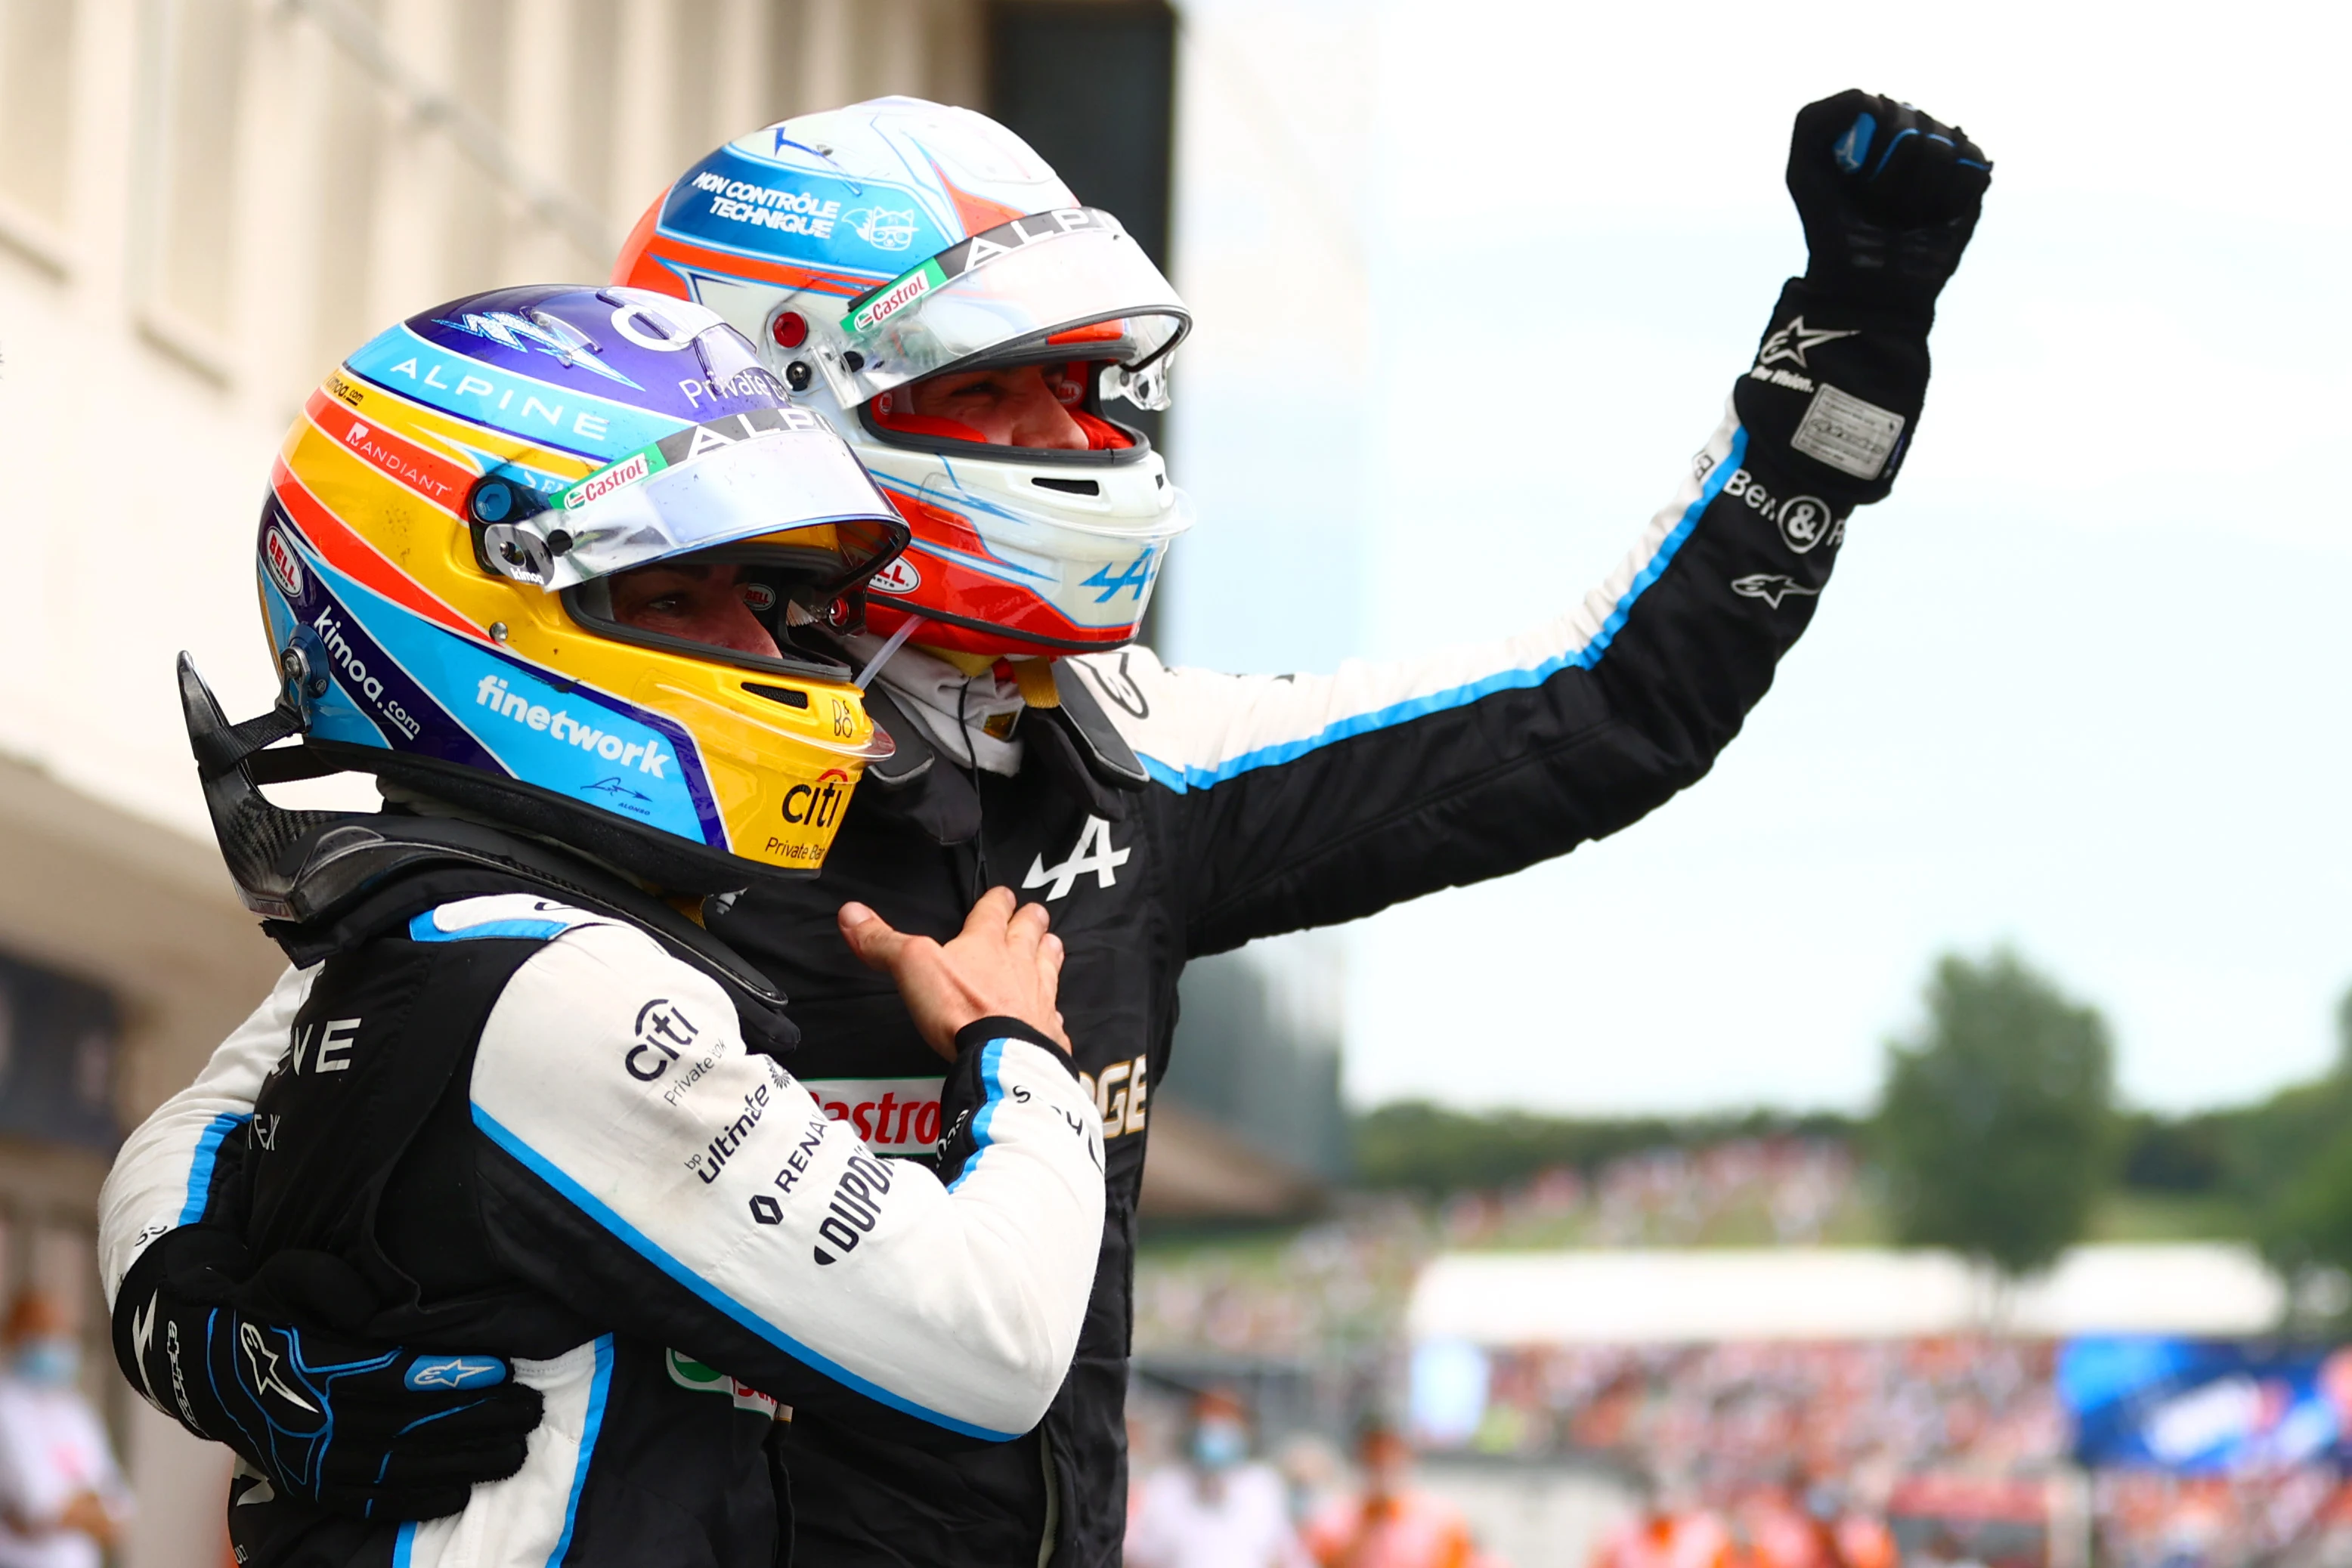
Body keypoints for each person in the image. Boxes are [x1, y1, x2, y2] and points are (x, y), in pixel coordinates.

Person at [105, 89, 1991, 1566]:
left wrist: (1826, 396)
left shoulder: (1120, 753)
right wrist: (195, 1321)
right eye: (991, 384)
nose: (1076, 442)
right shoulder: (606, 764)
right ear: (776, 390)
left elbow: (1600, 711)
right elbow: (245, 1096)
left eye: (1084, 386)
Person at [102, 284, 1108, 1565]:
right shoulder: (550, 989)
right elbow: (995, 1341)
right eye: (678, 600)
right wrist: (1023, 1052)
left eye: (757, 595)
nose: (764, 641)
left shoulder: (447, 938)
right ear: (477, 613)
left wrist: (184, 1327)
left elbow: (182, 1133)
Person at [0, 1292, 128, 1568]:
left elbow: (119, 1507)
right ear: (13, 1335)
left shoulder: (76, 1410)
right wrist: (87, 1503)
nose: (55, 1341)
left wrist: (71, 1510)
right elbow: (36, 1505)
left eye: (61, 1331)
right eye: (42, 1331)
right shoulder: (6, 1406)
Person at [1127, 1390, 1308, 1568]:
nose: (1216, 1425)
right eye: (1209, 1415)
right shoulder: (1164, 1485)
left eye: (1226, 1416)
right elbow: (1138, 1555)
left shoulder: (1264, 1485)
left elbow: (1286, 1554)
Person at [1301, 1425, 1479, 1568]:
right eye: (1374, 1454)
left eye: (1390, 1453)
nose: (1383, 1463)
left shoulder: (1443, 1521)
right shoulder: (1333, 1519)